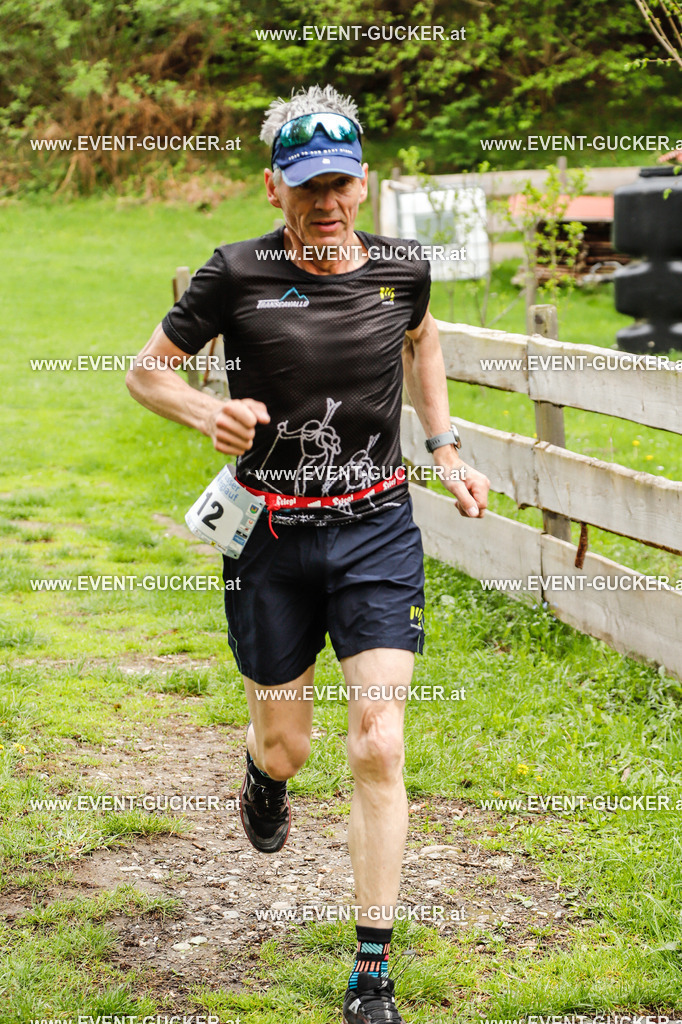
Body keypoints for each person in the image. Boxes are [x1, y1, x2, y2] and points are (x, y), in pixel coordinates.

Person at [126, 83, 490, 1024]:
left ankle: (372, 973)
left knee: (379, 742)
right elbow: (145, 371)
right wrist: (210, 411)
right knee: (290, 748)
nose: (324, 202)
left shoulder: (403, 271)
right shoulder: (235, 273)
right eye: (304, 187)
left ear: (363, 183)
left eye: (338, 184)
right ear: (272, 189)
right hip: (270, 538)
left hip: (375, 529)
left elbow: (425, 342)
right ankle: (261, 773)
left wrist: (444, 449)